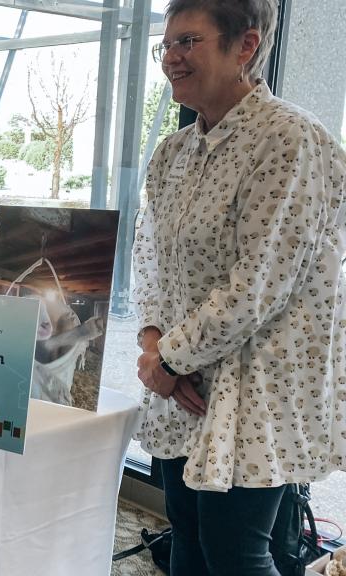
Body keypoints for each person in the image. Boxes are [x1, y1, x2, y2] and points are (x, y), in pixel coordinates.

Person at [132, 1, 346, 574]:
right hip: (182, 380)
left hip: (253, 386)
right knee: (187, 537)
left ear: (246, 46)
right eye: (167, 44)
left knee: (237, 554)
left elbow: (259, 285)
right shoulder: (173, 151)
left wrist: (168, 359)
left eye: (189, 42)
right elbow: (149, 252)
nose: (171, 58)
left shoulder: (291, 140)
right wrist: (155, 347)